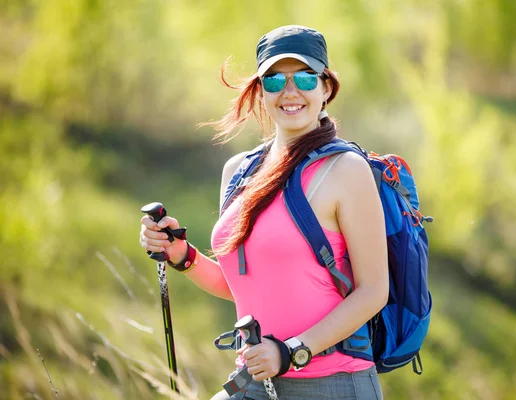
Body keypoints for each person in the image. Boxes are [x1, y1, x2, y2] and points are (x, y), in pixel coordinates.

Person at [140, 25, 388, 400]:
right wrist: (183, 257)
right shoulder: (239, 171)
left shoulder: (345, 169)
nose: (290, 91)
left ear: (325, 88)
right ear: (260, 92)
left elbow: (373, 291)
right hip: (254, 379)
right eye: (274, 80)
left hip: (333, 384)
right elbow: (241, 285)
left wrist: (291, 351)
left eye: (305, 77)